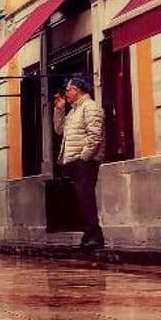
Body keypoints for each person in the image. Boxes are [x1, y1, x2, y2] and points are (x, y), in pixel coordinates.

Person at [54, 75, 106, 250]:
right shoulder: (74, 110)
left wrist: (84, 157)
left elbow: (95, 136)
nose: (66, 94)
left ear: (76, 90)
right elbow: (59, 130)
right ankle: (89, 234)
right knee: (81, 199)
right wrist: (59, 109)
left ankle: (95, 237)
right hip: (73, 161)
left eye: (68, 90)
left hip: (84, 162)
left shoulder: (90, 107)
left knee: (86, 198)